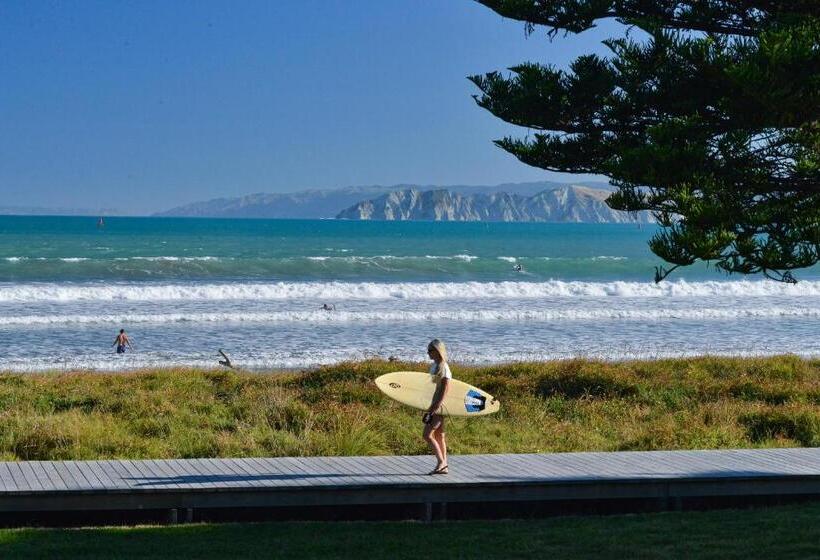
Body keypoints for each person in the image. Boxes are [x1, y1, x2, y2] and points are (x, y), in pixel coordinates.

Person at [423, 338, 451, 475]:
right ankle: (444, 466)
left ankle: (441, 462)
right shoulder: (434, 366)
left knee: (427, 435)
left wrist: (432, 410)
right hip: (433, 404)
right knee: (440, 436)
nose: (428, 353)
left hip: (439, 406)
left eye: (430, 350)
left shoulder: (443, 367)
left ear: (437, 351)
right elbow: (431, 389)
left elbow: (444, 391)